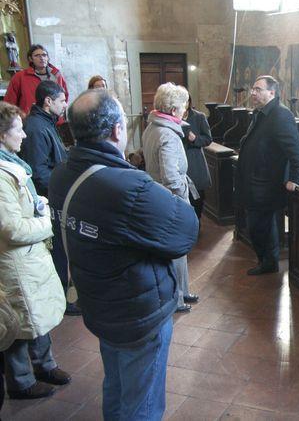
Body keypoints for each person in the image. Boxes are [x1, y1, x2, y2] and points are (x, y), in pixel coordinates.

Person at [48, 90, 198, 420]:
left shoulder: (61, 175)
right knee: (142, 402)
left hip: (99, 303)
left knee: (116, 384)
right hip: (137, 312)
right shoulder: (128, 188)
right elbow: (185, 232)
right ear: (118, 130)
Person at [0, 101, 69, 400]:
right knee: (18, 322)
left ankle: (44, 366)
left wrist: (37, 202)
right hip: (15, 260)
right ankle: (21, 381)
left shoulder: (12, 163)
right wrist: (46, 221)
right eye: (18, 130)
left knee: (37, 314)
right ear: (2, 134)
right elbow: (11, 228)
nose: (24, 136)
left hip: (29, 258)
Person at [237, 75, 299, 275]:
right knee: (257, 227)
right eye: (253, 89)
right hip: (255, 183)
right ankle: (265, 260)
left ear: (272, 92)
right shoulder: (260, 113)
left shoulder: (280, 115)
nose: (253, 93)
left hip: (266, 185)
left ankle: (269, 263)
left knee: (263, 227)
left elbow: (297, 150)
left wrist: (296, 179)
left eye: (258, 89)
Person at [19, 80, 79, 315]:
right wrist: (61, 189)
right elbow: (39, 170)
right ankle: (62, 301)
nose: (65, 105)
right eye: (62, 100)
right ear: (48, 101)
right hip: (50, 199)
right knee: (57, 253)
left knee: (62, 251)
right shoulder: (36, 127)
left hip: (55, 195)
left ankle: (65, 296)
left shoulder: (46, 123)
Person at [142, 82, 199, 311]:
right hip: (170, 202)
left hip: (159, 197)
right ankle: (175, 298)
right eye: (183, 105)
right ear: (174, 110)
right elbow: (171, 178)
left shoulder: (153, 127)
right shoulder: (167, 134)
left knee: (179, 251)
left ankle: (183, 291)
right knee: (174, 250)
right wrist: (182, 204)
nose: (185, 109)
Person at [4, 44, 68, 114]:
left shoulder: (56, 75)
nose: (42, 58)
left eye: (44, 55)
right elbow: (10, 101)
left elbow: (64, 96)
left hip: (55, 119)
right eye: (37, 55)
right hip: (31, 118)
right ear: (30, 59)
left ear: (48, 58)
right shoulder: (20, 77)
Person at [183, 95, 213, 220]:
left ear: (189, 102)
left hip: (194, 161)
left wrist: (195, 139)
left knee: (197, 197)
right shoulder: (173, 118)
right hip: (180, 162)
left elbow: (208, 139)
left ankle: (197, 224)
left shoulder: (199, 117)